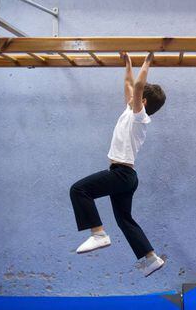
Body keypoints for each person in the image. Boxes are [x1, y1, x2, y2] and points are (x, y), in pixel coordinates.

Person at [69, 51, 166, 277]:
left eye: (138, 95)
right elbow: (129, 82)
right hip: (126, 177)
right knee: (125, 220)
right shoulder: (129, 112)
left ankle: (99, 234)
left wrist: (148, 62)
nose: (133, 93)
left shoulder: (140, 117)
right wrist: (128, 63)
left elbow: (139, 85)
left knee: (79, 189)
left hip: (121, 174)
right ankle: (152, 259)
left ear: (143, 102)